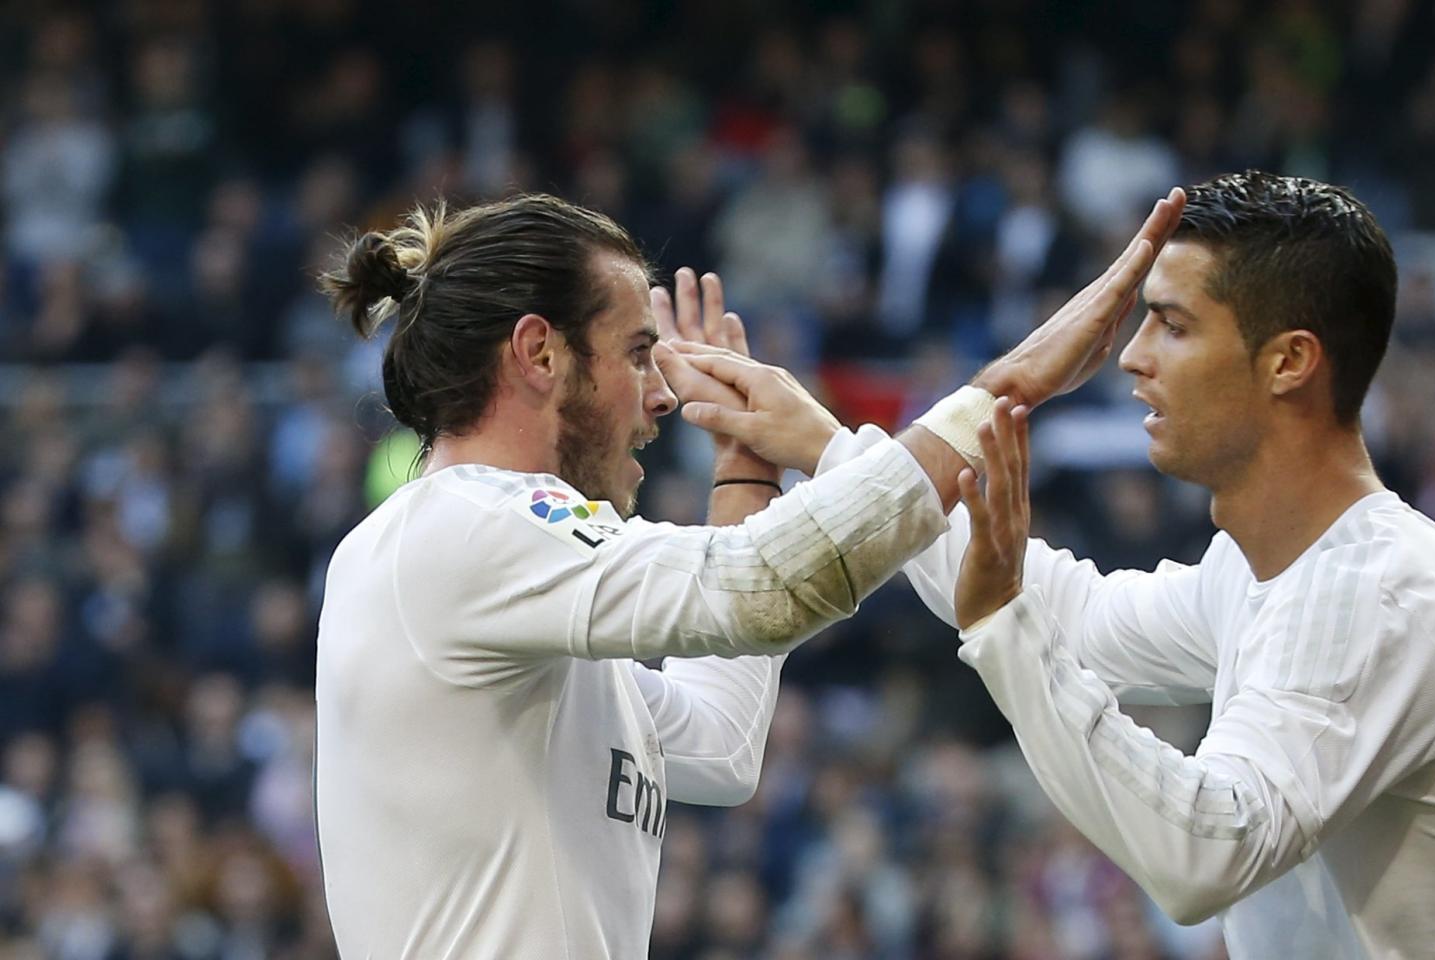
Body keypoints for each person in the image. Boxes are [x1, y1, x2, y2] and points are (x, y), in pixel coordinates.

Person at [677, 172, 1435, 959]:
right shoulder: (1282, 567)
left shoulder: (1374, 591)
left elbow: (1205, 854)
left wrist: (1003, 629)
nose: (1132, 354)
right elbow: (1078, 619)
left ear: (1289, 362)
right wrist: (833, 451)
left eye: (1174, 325)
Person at [310, 189, 1185, 958]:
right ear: (540, 353)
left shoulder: (506, 594)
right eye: (637, 353)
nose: (662, 395)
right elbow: (757, 588)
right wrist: (1003, 389)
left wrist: (745, 466)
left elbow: (719, 746)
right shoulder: (465, 526)